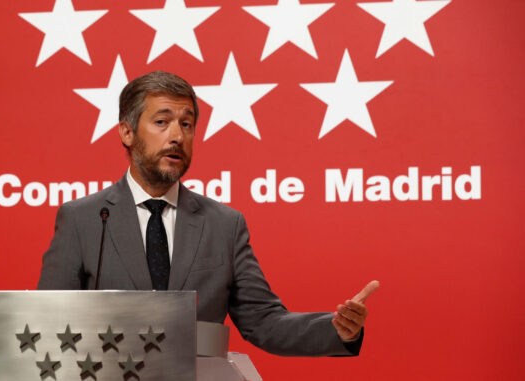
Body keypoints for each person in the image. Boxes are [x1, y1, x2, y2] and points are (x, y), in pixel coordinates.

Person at [38, 71, 379, 356]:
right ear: (127, 132)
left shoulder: (223, 225)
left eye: (187, 125)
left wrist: (338, 330)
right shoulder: (83, 220)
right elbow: (48, 326)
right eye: (162, 122)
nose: (177, 136)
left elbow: (263, 321)